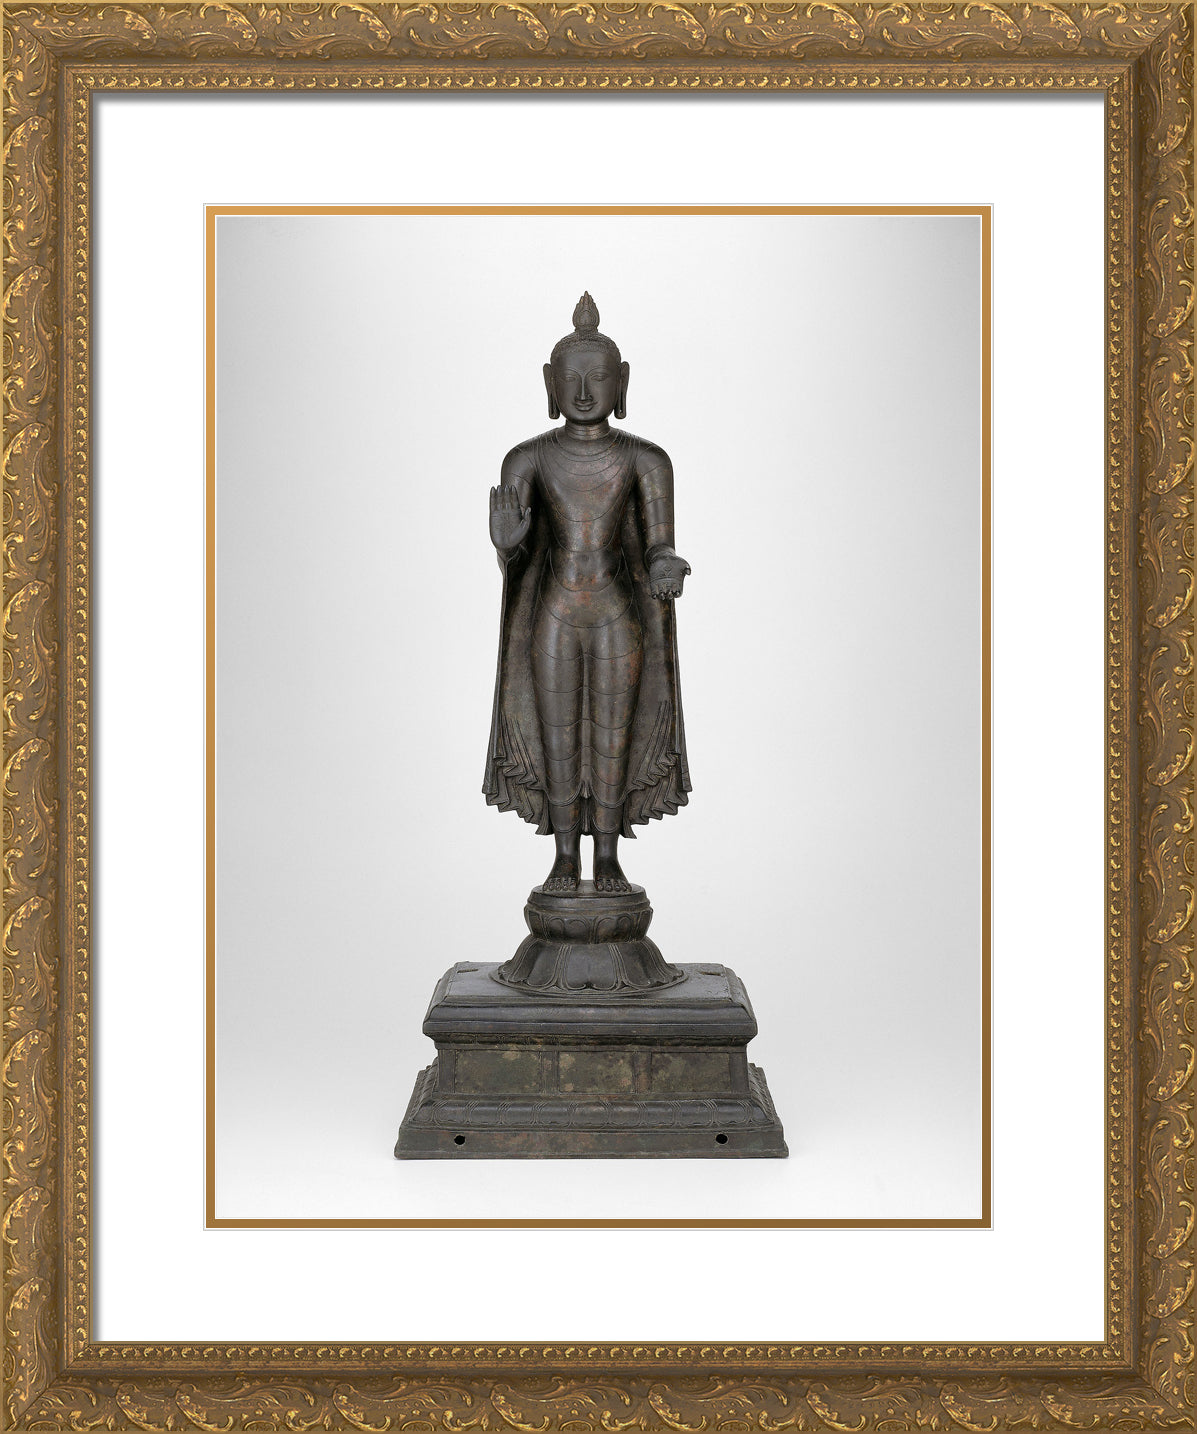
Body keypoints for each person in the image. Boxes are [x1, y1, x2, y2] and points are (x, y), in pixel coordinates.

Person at [483, 293, 691, 893]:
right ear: (549, 383)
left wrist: (666, 564)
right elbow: (515, 556)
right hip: (554, 610)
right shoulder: (527, 459)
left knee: (612, 737)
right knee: (558, 737)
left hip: (616, 612)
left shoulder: (646, 460)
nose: (581, 392)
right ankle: (564, 858)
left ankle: (607, 858)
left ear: (621, 381)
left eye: (597, 378)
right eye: (569, 379)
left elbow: (658, 543)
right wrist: (506, 545)